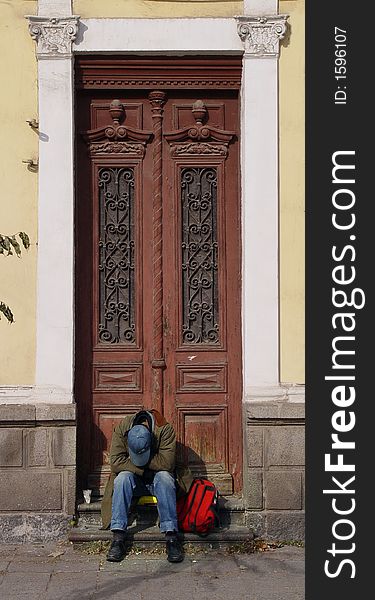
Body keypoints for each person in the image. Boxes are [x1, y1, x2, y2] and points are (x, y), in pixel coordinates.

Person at [101, 408, 194, 563]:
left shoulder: (164, 429)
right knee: (122, 478)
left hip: (157, 479)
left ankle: (171, 536)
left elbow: (166, 463)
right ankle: (118, 537)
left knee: (165, 477)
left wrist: (143, 463)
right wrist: (143, 472)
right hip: (136, 479)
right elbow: (116, 462)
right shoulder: (123, 427)